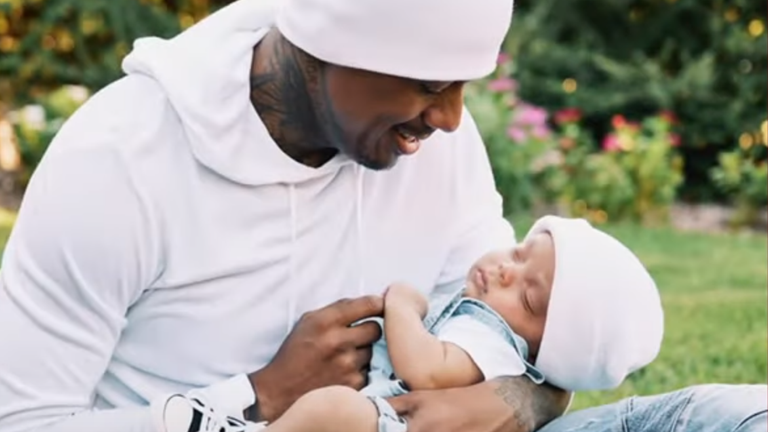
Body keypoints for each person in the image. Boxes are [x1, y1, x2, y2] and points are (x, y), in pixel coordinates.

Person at [0, 0, 764, 432]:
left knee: (731, 415)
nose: (453, 120)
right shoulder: (122, 159)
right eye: (430, 82)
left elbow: (525, 334)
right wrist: (257, 393)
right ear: (325, 45)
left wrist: (516, 401)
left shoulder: (427, 146)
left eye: (464, 84)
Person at [211, 215, 664, 432]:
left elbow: (424, 370)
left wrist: (404, 306)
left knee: (335, 410)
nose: (506, 269)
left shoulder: (493, 341)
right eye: (519, 253)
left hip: (388, 422)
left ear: (540, 350)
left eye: (527, 296)